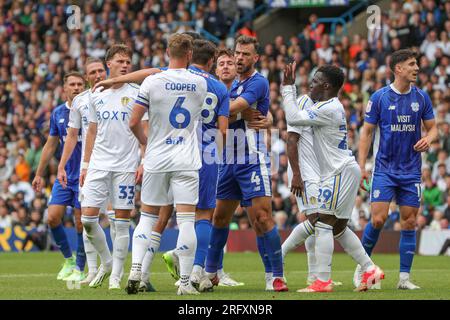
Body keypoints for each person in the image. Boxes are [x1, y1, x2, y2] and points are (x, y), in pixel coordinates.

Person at [282, 63, 385, 292]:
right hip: (344, 170)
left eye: (316, 80)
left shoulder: (329, 108)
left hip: (339, 172)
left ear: (327, 85)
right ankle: (369, 269)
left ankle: (322, 281)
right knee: (338, 228)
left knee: (323, 224)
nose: (311, 83)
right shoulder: (331, 106)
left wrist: (288, 88)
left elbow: (293, 116)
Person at [126, 33, 208, 296]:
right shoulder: (200, 83)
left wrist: (146, 143)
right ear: (190, 55)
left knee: (147, 217)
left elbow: (133, 122)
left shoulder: (152, 82)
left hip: (157, 158)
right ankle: (185, 284)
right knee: (186, 221)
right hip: (185, 159)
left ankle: (135, 271)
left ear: (166, 52)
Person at [204, 35, 288, 292]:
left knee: (261, 218)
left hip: (251, 158)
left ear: (255, 58)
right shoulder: (225, 86)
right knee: (219, 218)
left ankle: (275, 276)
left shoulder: (258, 82)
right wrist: (240, 112)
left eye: (244, 54)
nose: (239, 58)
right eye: (237, 53)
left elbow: (228, 109)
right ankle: (211, 273)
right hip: (225, 159)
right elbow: (225, 112)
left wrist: (230, 110)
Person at [356, 49, 438, 290]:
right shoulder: (379, 98)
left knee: (410, 222)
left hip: (411, 170)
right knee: (379, 219)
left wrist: (429, 138)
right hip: (384, 169)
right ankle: (363, 268)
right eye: (412, 64)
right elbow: (367, 133)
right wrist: (362, 166)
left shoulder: (421, 98)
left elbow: (433, 128)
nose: (417, 68)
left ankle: (404, 279)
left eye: (417, 64)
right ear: (398, 68)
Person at [79, 44, 143, 290]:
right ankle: (106, 263)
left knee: (122, 222)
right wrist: (85, 164)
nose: (125, 64)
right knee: (87, 219)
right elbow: (92, 131)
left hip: (125, 166)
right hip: (98, 164)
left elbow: (144, 130)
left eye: (128, 61)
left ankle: (116, 276)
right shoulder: (96, 94)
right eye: (120, 61)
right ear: (109, 64)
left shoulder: (138, 92)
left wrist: (144, 160)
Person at [57, 57, 108, 284]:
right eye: (93, 72)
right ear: (88, 77)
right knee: (86, 219)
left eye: (101, 70)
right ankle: (92, 269)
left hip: (118, 164)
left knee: (118, 219)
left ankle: (119, 272)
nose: (98, 75)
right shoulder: (81, 102)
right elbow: (71, 136)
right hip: (91, 166)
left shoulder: (124, 93)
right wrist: (62, 165)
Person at [31, 72, 85, 281]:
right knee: (52, 217)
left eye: (80, 84)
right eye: (72, 84)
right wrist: (39, 173)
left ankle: (80, 267)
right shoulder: (58, 113)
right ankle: (69, 260)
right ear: (64, 89)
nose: (76, 87)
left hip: (85, 175)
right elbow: (51, 144)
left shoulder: (90, 111)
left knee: (80, 222)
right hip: (64, 176)